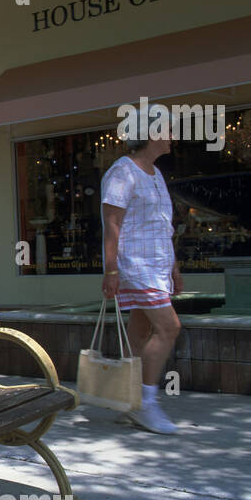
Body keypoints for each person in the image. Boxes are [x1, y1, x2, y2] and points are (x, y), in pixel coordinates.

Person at [101, 122, 183, 434]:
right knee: (170, 327)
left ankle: (128, 402)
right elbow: (112, 224)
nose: (173, 137)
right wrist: (111, 269)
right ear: (151, 134)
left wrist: (174, 267)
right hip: (137, 265)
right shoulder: (123, 171)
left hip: (158, 264)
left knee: (141, 330)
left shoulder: (155, 172)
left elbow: (163, 225)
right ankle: (145, 403)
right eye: (168, 131)